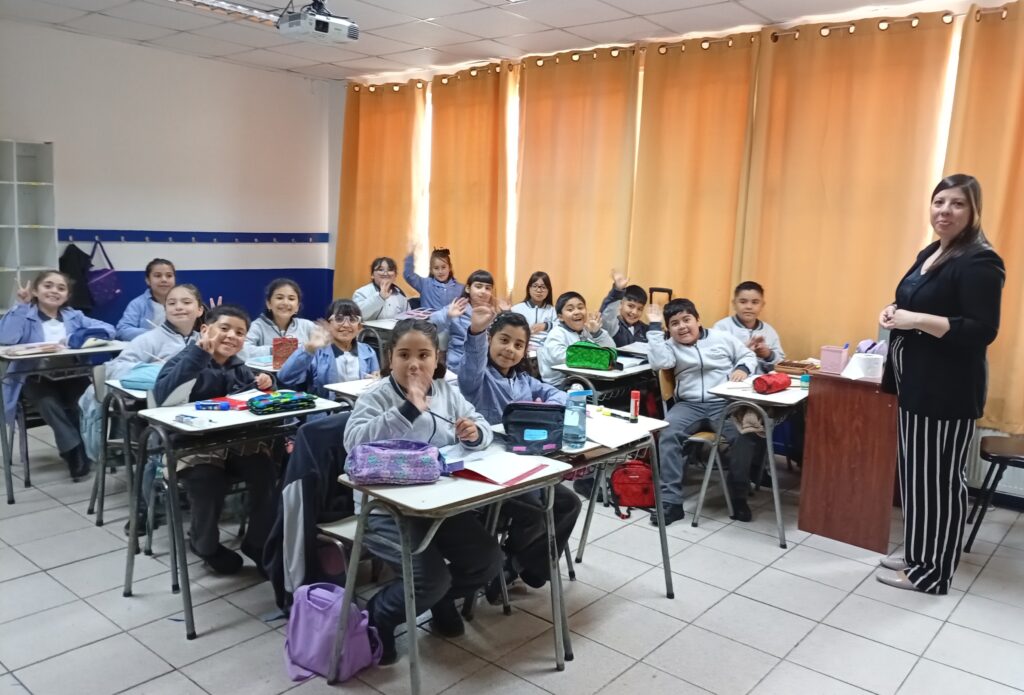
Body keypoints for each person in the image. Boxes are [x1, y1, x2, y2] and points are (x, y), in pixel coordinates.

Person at [343, 318, 501, 665]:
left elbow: (481, 424)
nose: (414, 364)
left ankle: (440, 599)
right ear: (390, 358)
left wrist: (474, 433)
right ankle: (381, 615)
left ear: (437, 358)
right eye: (404, 355)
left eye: (423, 355)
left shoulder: (446, 392)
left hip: (439, 503)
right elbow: (353, 443)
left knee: (487, 560)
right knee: (429, 579)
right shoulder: (376, 396)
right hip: (385, 510)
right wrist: (407, 409)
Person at [876, 174, 1004, 595]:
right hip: (915, 383)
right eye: (939, 201)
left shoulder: (980, 261)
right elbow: (916, 302)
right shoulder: (933, 251)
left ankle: (933, 573)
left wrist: (914, 319)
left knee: (941, 485)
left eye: (957, 204)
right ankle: (918, 555)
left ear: (974, 211)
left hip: (946, 391)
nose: (945, 211)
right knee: (917, 479)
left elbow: (981, 330)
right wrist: (894, 311)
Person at [457, 307, 578, 599]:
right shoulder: (478, 380)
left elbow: (555, 395)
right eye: (504, 340)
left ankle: (515, 566)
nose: (510, 349)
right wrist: (476, 332)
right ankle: (507, 568)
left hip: (524, 463)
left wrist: (556, 404)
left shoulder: (523, 380)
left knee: (569, 504)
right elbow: (470, 367)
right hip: (490, 468)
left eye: (518, 344)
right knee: (536, 511)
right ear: (490, 340)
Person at [154, 304, 276, 575]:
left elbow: (249, 401)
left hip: (232, 443)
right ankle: (205, 545)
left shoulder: (239, 367)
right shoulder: (184, 360)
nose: (232, 336)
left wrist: (266, 386)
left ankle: (257, 542)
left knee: (265, 470)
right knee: (208, 481)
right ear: (205, 329)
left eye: (240, 332)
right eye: (224, 328)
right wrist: (198, 355)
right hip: (190, 446)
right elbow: (162, 396)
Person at [85, 283, 205, 532]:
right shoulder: (149, 339)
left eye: (186, 302)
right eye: (172, 303)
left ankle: (196, 493)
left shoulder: (202, 340)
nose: (179, 307)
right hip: (148, 411)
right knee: (155, 446)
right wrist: (156, 370)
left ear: (200, 309)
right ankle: (143, 508)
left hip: (192, 409)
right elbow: (114, 369)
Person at [646, 298, 762, 525]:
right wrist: (654, 327)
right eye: (674, 323)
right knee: (667, 433)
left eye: (686, 320)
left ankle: (738, 496)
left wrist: (742, 367)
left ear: (698, 320)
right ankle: (671, 502)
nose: (682, 327)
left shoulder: (721, 338)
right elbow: (660, 363)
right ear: (669, 329)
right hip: (688, 405)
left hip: (723, 402)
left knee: (745, 435)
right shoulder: (669, 346)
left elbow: (747, 355)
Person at [0, 271, 116, 480]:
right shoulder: (25, 314)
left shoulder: (74, 316)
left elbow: (109, 329)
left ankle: (81, 447)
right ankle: (74, 450)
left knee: (83, 403)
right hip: (34, 376)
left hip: (72, 374)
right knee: (49, 403)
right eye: (48, 286)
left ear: (67, 296)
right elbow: (6, 338)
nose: (54, 291)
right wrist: (21, 306)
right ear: (36, 291)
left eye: (61, 288)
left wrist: (77, 337)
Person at [277, 299, 379, 398]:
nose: (346, 325)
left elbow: (375, 385)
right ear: (328, 324)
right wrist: (308, 349)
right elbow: (285, 378)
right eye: (339, 319)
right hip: (327, 408)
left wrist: (377, 380)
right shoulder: (316, 351)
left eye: (352, 320)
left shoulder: (368, 351)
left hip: (358, 407)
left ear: (359, 327)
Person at [537, 291, 616, 389]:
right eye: (570, 309)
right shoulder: (557, 334)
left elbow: (611, 350)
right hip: (561, 384)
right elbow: (560, 357)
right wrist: (595, 357)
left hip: (585, 379)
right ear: (560, 317)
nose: (577, 312)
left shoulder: (588, 330)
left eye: (580, 308)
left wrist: (597, 333)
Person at [712, 281, 785, 374]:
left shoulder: (769, 331)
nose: (749, 307)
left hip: (762, 381)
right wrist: (743, 351)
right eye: (743, 302)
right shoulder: (722, 328)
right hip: (732, 380)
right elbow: (714, 360)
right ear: (734, 304)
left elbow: (781, 363)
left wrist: (768, 355)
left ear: (762, 305)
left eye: (755, 302)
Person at [430, 269, 495, 372]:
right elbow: (431, 325)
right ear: (468, 289)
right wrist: (448, 315)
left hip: (486, 365)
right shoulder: (458, 308)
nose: (483, 291)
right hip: (459, 364)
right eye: (478, 286)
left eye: (488, 288)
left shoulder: (492, 313)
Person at [243, 278, 315, 358]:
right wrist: (275, 350)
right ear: (268, 303)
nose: (285, 303)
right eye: (279, 298)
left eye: (291, 299)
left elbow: (322, 349)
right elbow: (242, 350)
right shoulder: (257, 326)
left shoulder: (307, 326)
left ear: (297, 306)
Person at [116, 258, 176, 340]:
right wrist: (155, 334)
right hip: (147, 346)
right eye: (158, 276)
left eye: (169, 276)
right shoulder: (138, 304)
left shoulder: (184, 303)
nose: (164, 280)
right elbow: (122, 330)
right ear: (148, 280)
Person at [403, 244, 463, 309]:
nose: (440, 271)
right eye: (436, 268)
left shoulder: (460, 288)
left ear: (450, 267)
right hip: (429, 316)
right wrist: (410, 255)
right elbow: (408, 275)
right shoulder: (425, 284)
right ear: (431, 270)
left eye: (443, 267)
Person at [600, 270, 649, 347]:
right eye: (630, 306)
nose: (634, 312)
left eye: (640, 309)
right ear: (621, 304)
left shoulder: (646, 330)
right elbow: (607, 314)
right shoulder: (613, 325)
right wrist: (617, 291)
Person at [511, 271, 556, 336]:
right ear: (529, 289)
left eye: (543, 287)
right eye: (535, 286)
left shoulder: (552, 310)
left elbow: (561, 326)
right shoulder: (516, 309)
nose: (539, 290)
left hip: (547, 342)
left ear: (548, 291)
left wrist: (546, 325)